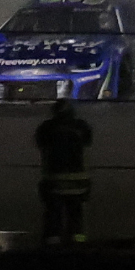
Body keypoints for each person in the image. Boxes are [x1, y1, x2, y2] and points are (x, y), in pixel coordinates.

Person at [35, 98, 93, 246]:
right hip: (78, 180)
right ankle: (77, 240)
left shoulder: (46, 128)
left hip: (53, 179)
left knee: (53, 212)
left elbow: (41, 145)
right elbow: (88, 143)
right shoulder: (81, 126)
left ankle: (52, 240)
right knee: (76, 213)